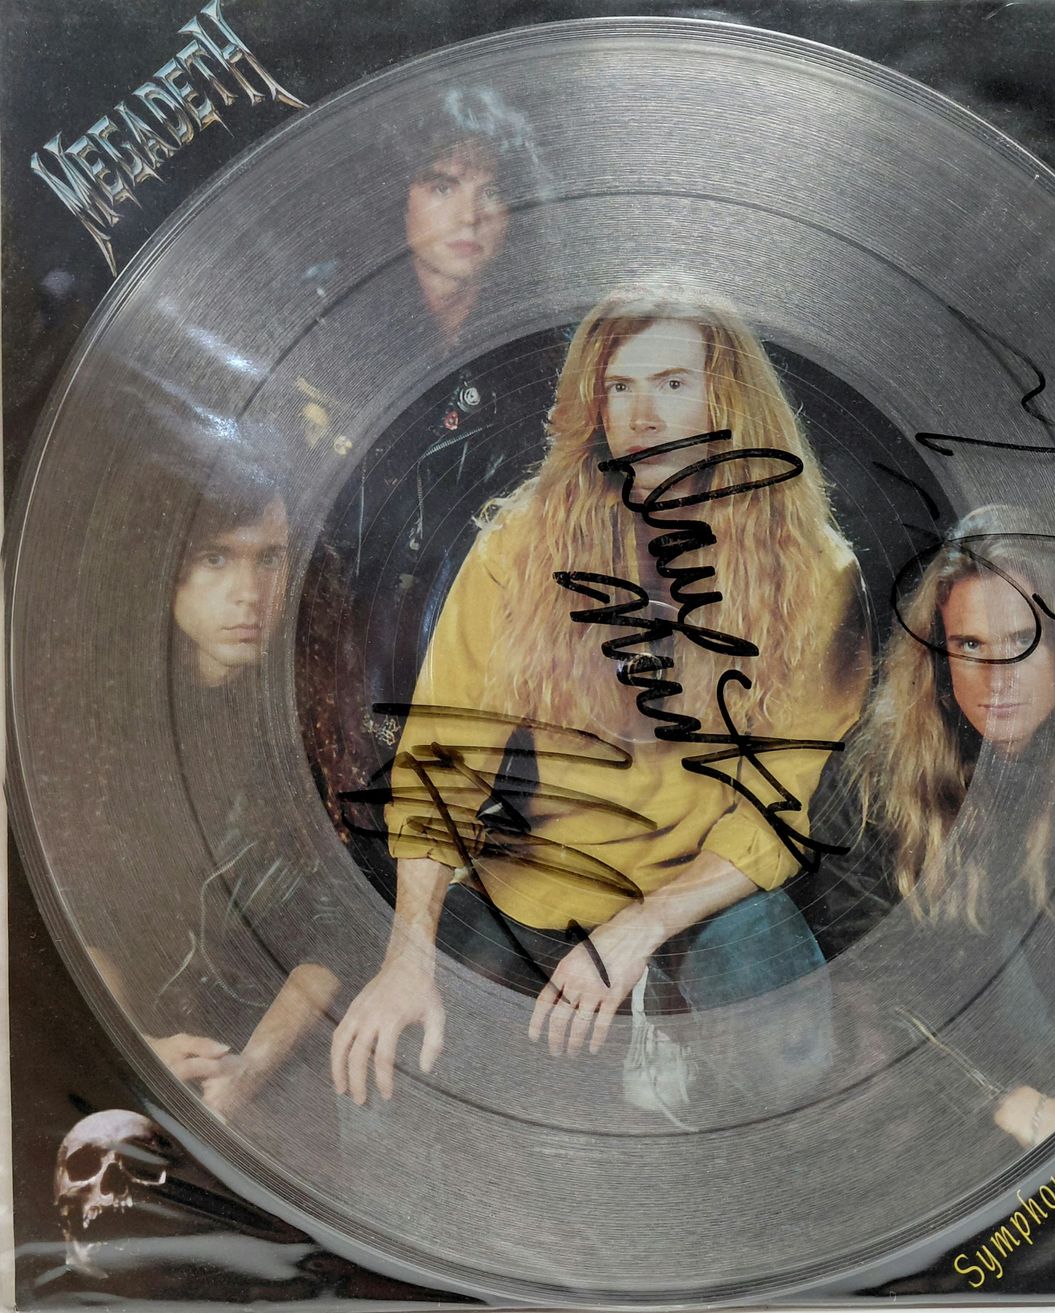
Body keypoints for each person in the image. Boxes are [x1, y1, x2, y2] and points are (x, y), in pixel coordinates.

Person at [330, 282, 869, 1113]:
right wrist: (407, 958)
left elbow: (775, 807)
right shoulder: (521, 543)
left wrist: (642, 927)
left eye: (673, 383)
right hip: (543, 881)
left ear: (729, 400)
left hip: (706, 888)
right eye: (620, 386)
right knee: (393, 1071)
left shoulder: (818, 572)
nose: (643, 416)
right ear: (596, 405)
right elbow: (441, 759)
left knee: (792, 1065)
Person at [819, 504, 1055, 1148]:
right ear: (938, 659)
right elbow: (876, 986)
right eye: (969, 646)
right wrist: (1006, 1104)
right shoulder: (872, 783)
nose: (997, 679)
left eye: (1024, 640)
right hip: (957, 1110)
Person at [298, 86, 562, 895]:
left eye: (492, 191)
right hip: (333, 656)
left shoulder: (542, 349)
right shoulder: (329, 329)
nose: (469, 214)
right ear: (399, 197)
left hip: (481, 661)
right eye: (442, 184)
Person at [89, 447, 345, 1125]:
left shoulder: (314, 717)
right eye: (215, 558)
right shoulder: (108, 719)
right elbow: (81, 915)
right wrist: (135, 1048)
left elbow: (338, 935)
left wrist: (248, 1070)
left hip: (275, 1069)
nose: (249, 593)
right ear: (164, 569)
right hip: (120, 1047)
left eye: (270, 558)